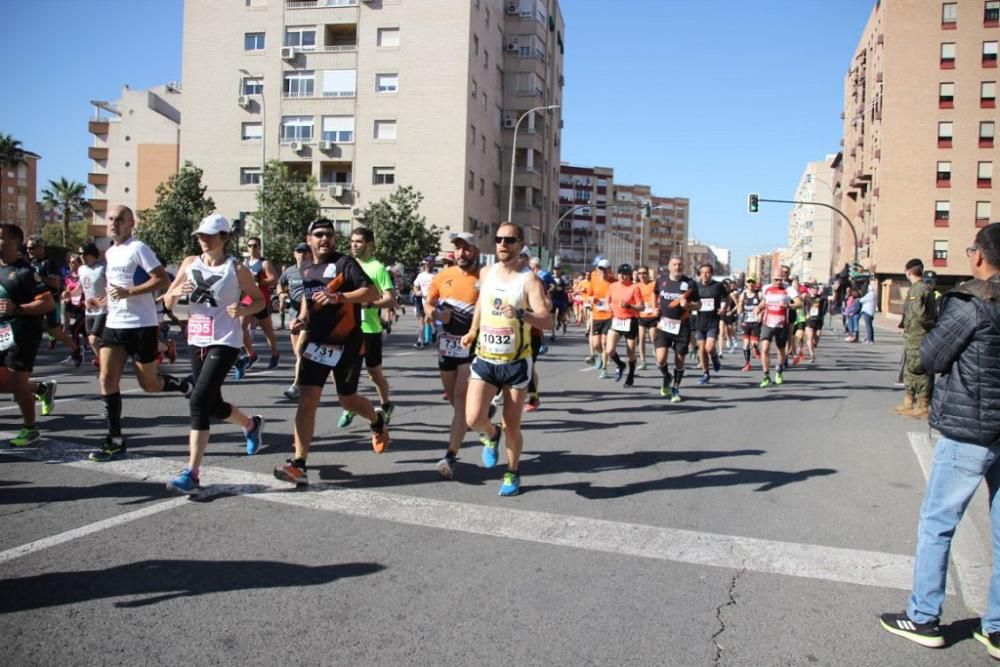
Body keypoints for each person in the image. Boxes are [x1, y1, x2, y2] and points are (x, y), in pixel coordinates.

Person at [879, 222, 1000, 661]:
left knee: (938, 523)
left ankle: (924, 617)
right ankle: (997, 629)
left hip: (970, 428)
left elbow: (930, 356)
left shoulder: (970, 303)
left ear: (979, 257)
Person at [272, 218, 387, 487]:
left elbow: (372, 291)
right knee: (307, 399)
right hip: (316, 343)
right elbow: (308, 301)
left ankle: (376, 418)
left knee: (347, 400)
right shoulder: (307, 268)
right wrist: (300, 321)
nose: (325, 239)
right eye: (319, 234)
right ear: (309, 239)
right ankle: (299, 463)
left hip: (347, 344)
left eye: (330, 235)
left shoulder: (344, 263)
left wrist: (341, 297)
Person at [162, 214, 266, 494]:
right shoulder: (189, 263)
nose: (204, 241)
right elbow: (167, 303)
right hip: (197, 338)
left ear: (225, 238)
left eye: (210, 236)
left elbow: (259, 300)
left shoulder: (237, 268)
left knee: (198, 400)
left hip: (225, 340)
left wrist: (242, 310)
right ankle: (250, 424)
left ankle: (192, 473)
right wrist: (175, 293)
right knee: (210, 403)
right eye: (200, 236)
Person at [87, 205, 193, 462]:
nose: (114, 223)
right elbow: (117, 288)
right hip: (115, 323)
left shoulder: (139, 248)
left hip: (142, 325)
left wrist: (130, 293)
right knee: (106, 379)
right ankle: (114, 440)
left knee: (150, 384)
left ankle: (183, 385)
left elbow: (162, 280)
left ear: (131, 223)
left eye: (120, 219)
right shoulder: (110, 252)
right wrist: (102, 301)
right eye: (111, 219)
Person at [460, 223, 549, 496]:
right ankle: (491, 434)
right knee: (473, 418)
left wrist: (521, 314)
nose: (502, 244)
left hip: (515, 361)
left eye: (509, 240)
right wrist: (473, 330)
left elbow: (548, 320)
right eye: (499, 239)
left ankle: (512, 472)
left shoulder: (529, 280)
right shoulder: (486, 273)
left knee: (512, 423)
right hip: (485, 356)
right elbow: (481, 304)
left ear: (521, 245)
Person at [426, 232, 483, 478]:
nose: (461, 253)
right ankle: (480, 417)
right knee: (452, 397)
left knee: (459, 400)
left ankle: (450, 456)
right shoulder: (443, 276)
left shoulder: (484, 278)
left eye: (467, 248)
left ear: (476, 251)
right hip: (447, 345)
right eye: (458, 248)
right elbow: (429, 303)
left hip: (472, 345)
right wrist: (434, 314)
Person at [0, 224, 58, 446]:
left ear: (15, 242)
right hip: (4, 331)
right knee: (5, 383)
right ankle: (41, 389)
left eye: (1, 237)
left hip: (24, 332)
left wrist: (17, 309)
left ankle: (30, 428)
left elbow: (48, 302)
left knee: (16, 381)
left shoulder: (25, 272)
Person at [338, 226, 397, 428]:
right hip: (348, 329)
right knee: (343, 371)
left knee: (374, 372)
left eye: (358, 241)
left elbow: (390, 299)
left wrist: (369, 303)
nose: (353, 245)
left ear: (369, 245)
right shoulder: (346, 265)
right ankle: (351, 405)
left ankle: (386, 404)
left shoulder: (377, 268)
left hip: (369, 329)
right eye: (352, 241)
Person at [25, 236, 81, 367]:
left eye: (32, 248)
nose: (29, 250)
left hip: (50, 302)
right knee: (30, 329)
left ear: (41, 248)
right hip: (36, 302)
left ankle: (77, 350)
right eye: (27, 248)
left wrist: (38, 278)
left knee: (55, 332)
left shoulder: (48, 263)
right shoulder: (32, 263)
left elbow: (55, 283)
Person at [893, 258, 936, 418]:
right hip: (913, 334)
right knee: (910, 368)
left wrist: (927, 326)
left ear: (909, 271)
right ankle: (908, 402)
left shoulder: (919, 289)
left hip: (919, 335)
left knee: (919, 369)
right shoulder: (917, 288)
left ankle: (923, 405)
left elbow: (919, 314)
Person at [653, 256, 697, 402]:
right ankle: (666, 376)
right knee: (660, 359)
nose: (677, 267)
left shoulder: (690, 283)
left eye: (680, 264)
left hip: (682, 326)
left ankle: (675, 389)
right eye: (674, 264)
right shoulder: (661, 280)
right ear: (669, 266)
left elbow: (699, 305)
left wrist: (689, 306)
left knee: (679, 360)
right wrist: (655, 308)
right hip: (664, 324)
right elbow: (655, 294)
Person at [235, 236, 280, 372]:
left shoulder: (264, 263)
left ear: (259, 247)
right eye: (250, 246)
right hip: (247, 300)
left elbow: (274, 279)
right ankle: (251, 354)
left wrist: (260, 282)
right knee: (240, 328)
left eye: (255, 245)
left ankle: (275, 353)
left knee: (267, 331)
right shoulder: (245, 263)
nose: (252, 248)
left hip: (261, 300)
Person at [756, 268, 801, 388]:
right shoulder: (767, 288)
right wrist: (758, 308)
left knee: (781, 350)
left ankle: (779, 371)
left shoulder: (788, 289)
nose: (778, 282)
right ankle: (766, 376)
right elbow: (764, 302)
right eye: (776, 280)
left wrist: (788, 306)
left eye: (781, 279)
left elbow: (799, 303)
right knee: (764, 349)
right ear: (772, 278)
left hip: (782, 324)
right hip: (768, 323)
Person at [277, 243, 308, 400]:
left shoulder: (313, 271)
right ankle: (307, 378)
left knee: (300, 351)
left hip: (308, 317)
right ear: (294, 254)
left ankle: (296, 385)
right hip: (293, 316)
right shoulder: (289, 272)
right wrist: (281, 293)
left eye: (305, 252)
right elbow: (279, 283)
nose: (302, 254)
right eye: (299, 251)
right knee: (298, 354)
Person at [605, 263, 644, 387]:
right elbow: (607, 300)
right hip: (617, 320)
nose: (623, 276)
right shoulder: (612, 286)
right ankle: (620, 364)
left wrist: (629, 306)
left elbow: (641, 307)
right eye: (621, 273)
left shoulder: (634, 288)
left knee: (630, 352)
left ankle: (630, 375)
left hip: (630, 321)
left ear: (630, 275)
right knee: (609, 350)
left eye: (626, 274)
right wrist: (608, 308)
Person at [693, 263, 727, 385]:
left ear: (711, 274)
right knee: (702, 350)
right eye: (703, 272)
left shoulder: (717, 286)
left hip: (713, 321)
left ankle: (714, 357)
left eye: (708, 272)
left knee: (709, 347)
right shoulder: (695, 286)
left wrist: (723, 308)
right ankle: (706, 374)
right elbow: (690, 300)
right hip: (700, 322)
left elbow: (725, 297)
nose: (705, 275)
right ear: (699, 274)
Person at [77, 242, 107, 369]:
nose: (81, 257)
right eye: (79, 254)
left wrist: (105, 299)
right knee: (91, 341)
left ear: (92, 254)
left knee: (94, 339)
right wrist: (69, 293)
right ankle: (105, 363)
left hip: (104, 310)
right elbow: (80, 288)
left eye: (83, 254)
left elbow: (113, 287)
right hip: (89, 311)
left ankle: (105, 365)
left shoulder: (102, 268)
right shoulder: (81, 269)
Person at [587, 258, 615, 376]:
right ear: (598, 269)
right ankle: (599, 356)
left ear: (609, 270)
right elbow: (588, 296)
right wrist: (591, 299)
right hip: (597, 315)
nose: (602, 271)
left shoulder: (614, 282)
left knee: (604, 343)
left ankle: (604, 368)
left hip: (609, 316)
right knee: (596, 344)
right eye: (600, 269)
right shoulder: (593, 281)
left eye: (605, 269)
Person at [60, 253, 87, 365]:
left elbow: (84, 289)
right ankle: (98, 354)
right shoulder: (69, 276)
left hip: (84, 307)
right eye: (69, 262)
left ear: (79, 263)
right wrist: (66, 297)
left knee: (74, 330)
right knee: (86, 333)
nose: (70, 265)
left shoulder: (83, 275)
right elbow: (68, 290)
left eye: (73, 262)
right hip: (73, 308)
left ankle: (76, 355)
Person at [635, 265, 658, 371]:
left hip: (652, 315)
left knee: (653, 337)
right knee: (641, 338)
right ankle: (643, 361)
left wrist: (656, 306)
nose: (642, 275)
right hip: (642, 315)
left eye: (644, 273)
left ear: (648, 274)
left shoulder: (654, 284)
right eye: (640, 273)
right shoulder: (636, 286)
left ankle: (656, 351)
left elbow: (660, 297)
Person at [736, 279, 761, 371]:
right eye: (748, 282)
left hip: (756, 322)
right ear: (746, 284)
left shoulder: (759, 294)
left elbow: (763, 306)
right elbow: (740, 307)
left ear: (755, 284)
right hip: (746, 321)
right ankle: (747, 363)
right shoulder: (743, 295)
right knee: (746, 344)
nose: (750, 284)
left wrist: (761, 314)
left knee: (754, 343)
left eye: (752, 282)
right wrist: (739, 310)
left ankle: (756, 348)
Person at [412, 258, 435, 349]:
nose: (427, 266)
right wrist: (417, 292)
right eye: (425, 264)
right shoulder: (421, 275)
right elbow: (415, 286)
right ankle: (420, 341)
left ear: (432, 264)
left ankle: (433, 331)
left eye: (428, 264)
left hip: (432, 301)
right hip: (421, 301)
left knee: (428, 320)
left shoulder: (435, 276)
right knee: (422, 321)